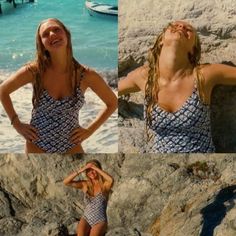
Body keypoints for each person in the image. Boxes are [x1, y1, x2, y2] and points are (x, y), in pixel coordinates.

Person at [0, 18, 117, 154]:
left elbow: (112, 102)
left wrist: (89, 130)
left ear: (66, 35)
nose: (52, 34)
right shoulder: (35, 71)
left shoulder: (86, 75)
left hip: (71, 146)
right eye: (45, 34)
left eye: (56, 29)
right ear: (42, 44)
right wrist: (17, 124)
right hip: (36, 145)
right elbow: (3, 90)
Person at [118, 20, 236, 153]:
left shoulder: (203, 75)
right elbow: (111, 92)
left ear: (193, 49)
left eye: (188, 29)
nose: (181, 27)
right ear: (161, 40)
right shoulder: (144, 77)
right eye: (174, 26)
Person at [63, 159, 113, 236]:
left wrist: (95, 168)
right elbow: (66, 182)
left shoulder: (104, 185)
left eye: (93, 170)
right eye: (88, 170)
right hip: (86, 218)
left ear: (98, 169)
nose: (91, 172)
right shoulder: (85, 184)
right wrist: (82, 169)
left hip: (100, 220)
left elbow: (111, 180)